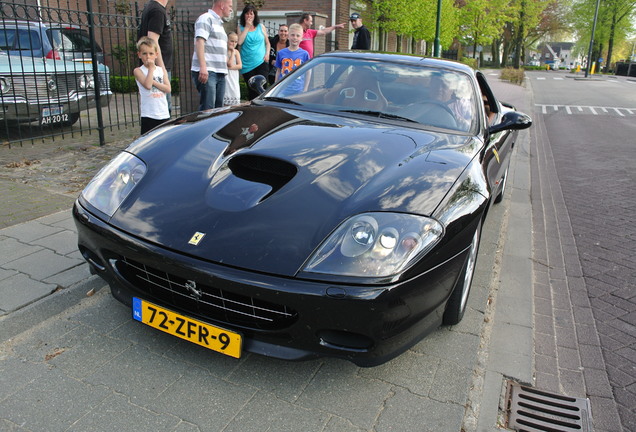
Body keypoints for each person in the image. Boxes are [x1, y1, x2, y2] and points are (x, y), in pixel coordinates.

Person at [191, 0, 233, 110]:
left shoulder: (219, 23)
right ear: (222, 5)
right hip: (209, 71)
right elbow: (200, 42)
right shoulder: (206, 18)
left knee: (218, 109)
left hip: (220, 71)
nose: (231, 9)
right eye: (229, 6)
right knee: (207, 108)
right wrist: (203, 67)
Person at [138, 0, 173, 113]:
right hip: (158, 68)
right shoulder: (157, 10)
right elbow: (152, 40)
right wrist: (162, 69)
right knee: (162, 109)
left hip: (157, 68)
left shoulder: (152, 7)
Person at [134, 37, 171, 134]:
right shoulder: (138, 71)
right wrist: (150, 69)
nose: (148, 57)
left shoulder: (161, 70)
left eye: (151, 53)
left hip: (163, 113)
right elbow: (148, 85)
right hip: (149, 113)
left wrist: (154, 82)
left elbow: (168, 88)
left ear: (156, 55)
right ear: (139, 55)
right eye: (144, 54)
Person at [237, 5, 270, 100]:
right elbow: (239, 42)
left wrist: (267, 53)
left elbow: (267, 43)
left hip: (261, 62)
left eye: (251, 13)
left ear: (255, 15)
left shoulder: (261, 27)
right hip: (247, 65)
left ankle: (264, 110)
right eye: (247, 13)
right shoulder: (241, 28)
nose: (249, 16)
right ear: (244, 15)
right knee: (252, 91)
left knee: (263, 88)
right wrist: (247, 27)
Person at [274, 23, 310, 95]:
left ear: (301, 38)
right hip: (282, 90)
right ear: (288, 36)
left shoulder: (305, 54)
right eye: (292, 35)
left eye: (298, 35)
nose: (295, 38)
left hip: (298, 90)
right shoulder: (281, 53)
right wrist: (275, 87)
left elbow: (308, 72)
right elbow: (278, 71)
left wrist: (305, 88)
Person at [224, 32, 242, 106]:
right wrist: (232, 53)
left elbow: (240, 65)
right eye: (232, 41)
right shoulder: (224, 51)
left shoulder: (237, 52)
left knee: (235, 94)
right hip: (227, 77)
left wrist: (230, 67)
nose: (233, 43)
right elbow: (229, 63)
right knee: (227, 94)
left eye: (235, 42)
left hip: (234, 76)